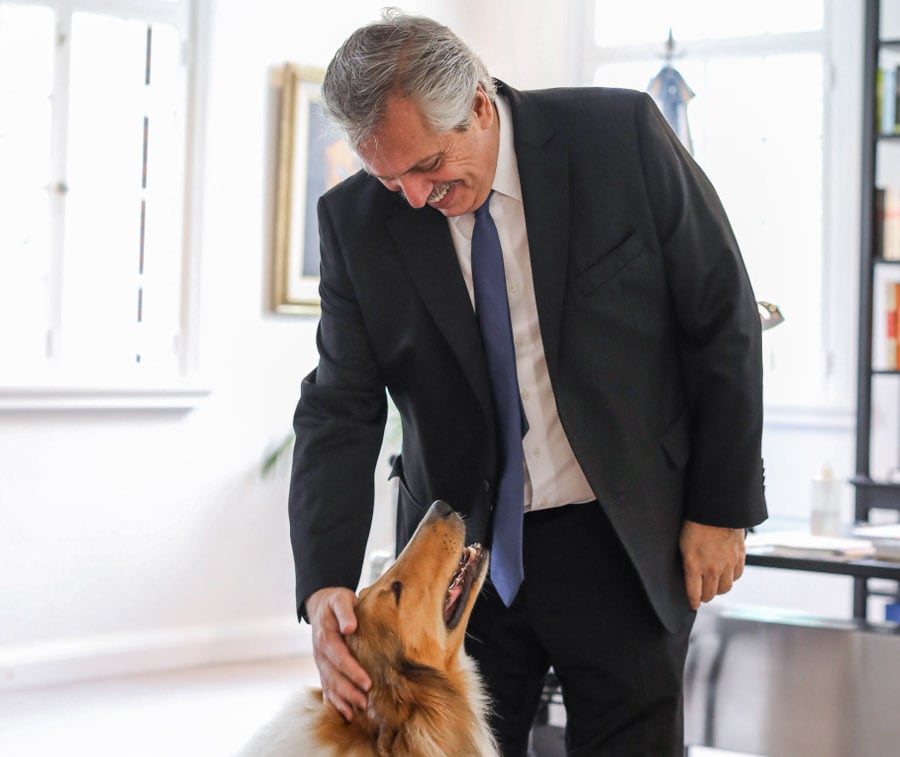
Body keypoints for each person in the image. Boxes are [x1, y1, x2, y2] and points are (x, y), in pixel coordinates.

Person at [288, 9, 767, 756]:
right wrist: (324, 586)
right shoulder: (353, 222)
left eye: (426, 168)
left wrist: (721, 506)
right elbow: (338, 406)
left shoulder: (620, 140)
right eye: (389, 178)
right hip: (457, 564)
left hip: (623, 540)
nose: (412, 198)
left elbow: (721, 318)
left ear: (479, 104)